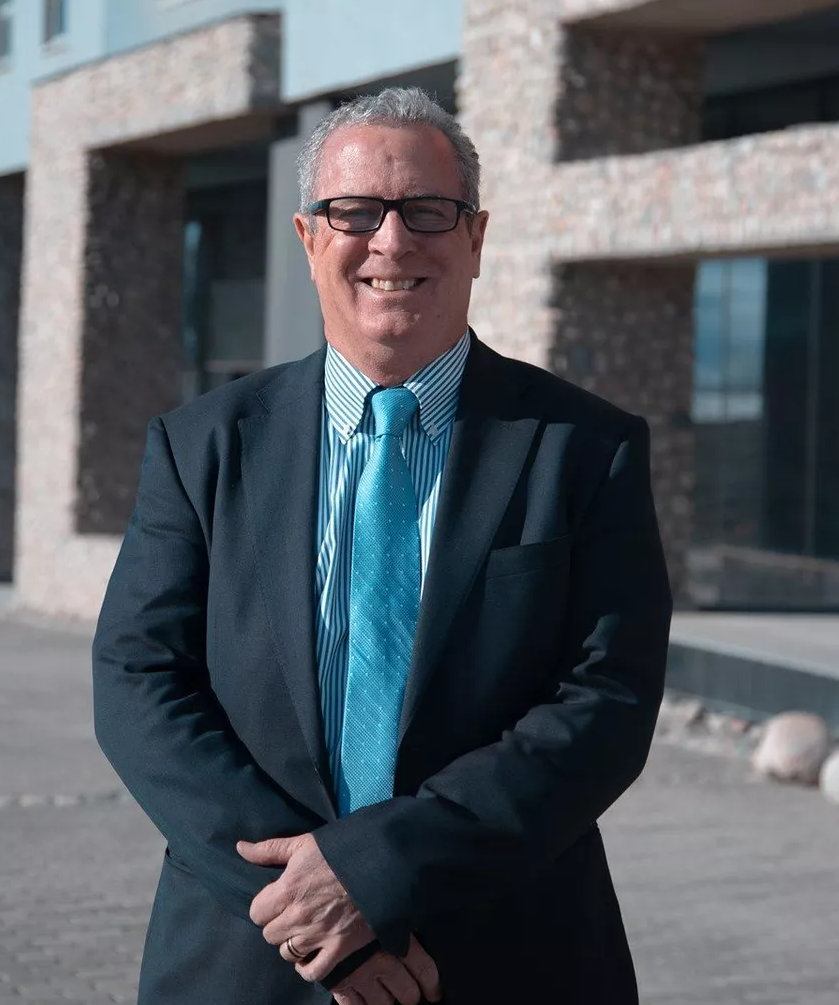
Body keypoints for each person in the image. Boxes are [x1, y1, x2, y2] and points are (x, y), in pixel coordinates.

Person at [93, 87, 672, 1005]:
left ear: (475, 237)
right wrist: (307, 911)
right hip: (247, 957)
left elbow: (606, 703)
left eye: (427, 210)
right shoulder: (201, 446)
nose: (391, 240)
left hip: (509, 954)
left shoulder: (586, 449)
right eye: (354, 212)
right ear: (307, 237)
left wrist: (371, 875)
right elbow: (139, 681)